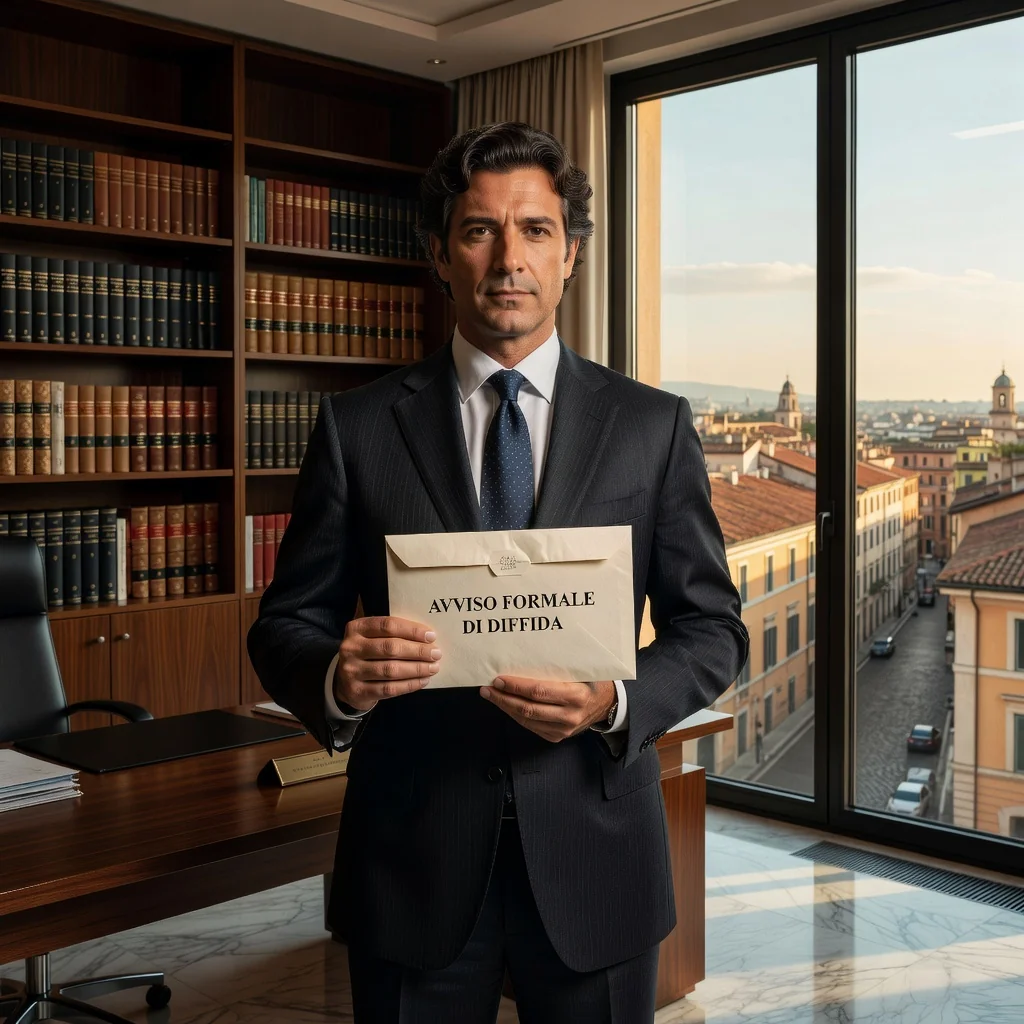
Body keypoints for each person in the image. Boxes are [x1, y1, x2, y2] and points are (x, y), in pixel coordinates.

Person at [247, 121, 748, 1024]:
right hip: (411, 860)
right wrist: (336, 676)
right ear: (441, 254)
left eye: (536, 231)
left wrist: (615, 701)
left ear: (572, 256)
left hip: (599, 853)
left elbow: (713, 628)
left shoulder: (653, 426)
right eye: (479, 231)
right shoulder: (356, 430)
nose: (508, 258)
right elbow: (285, 623)